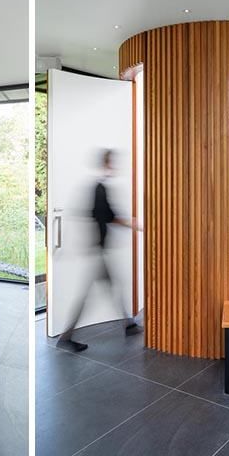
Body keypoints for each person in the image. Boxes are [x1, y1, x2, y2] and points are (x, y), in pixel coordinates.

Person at [56, 149, 142, 352]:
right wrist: (135, 225)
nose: (116, 167)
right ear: (108, 164)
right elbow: (110, 216)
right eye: (113, 163)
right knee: (87, 295)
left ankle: (128, 324)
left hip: (99, 250)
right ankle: (66, 337)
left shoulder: (99, 187)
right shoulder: (99, 188)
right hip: (97, 252)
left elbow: (102, 215)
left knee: (114, 286)